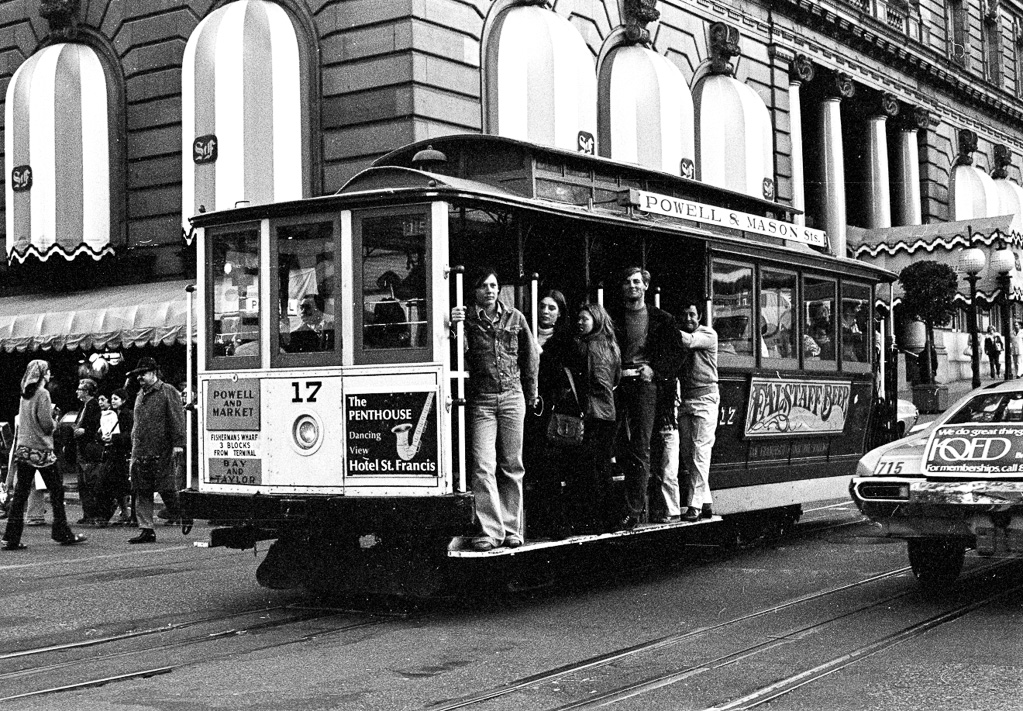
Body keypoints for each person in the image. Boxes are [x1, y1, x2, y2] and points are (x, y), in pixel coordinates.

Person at [451, 267, 540, 551]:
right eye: (484, 286)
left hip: (513, 396)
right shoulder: (468, 321)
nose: (490, 290)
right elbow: (459, 352)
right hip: (483, 399)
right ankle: (491, 531)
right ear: (475, 291)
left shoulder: (516, 318)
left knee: (512, 464)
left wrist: (531, 393)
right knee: (482, 465)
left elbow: (530, 357)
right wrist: (454, 326)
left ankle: (513, 528)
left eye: (494, 285)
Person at [611, 267, 682, 529]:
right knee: (617, 443)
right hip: (618, 384)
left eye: (637, 282)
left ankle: (635, 509)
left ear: (645, 287)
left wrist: (655, 369)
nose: (632, 286)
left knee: (641, 445)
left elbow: (676, 354)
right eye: (628, 282)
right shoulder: (613, 317)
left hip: (644, 385)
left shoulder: (662, 319)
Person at [2, 360, 86, 549]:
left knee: (21, 495)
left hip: (24, 450)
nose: (49, 375)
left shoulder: (25, 395)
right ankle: (61, 531)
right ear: (41, 375)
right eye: (47, 372)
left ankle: (11, 537)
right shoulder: (43, 394)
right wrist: (56, 422)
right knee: (57, 491)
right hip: (42, 451)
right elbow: (46, 425)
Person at [565, 302, 621, 534]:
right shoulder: (611, 345)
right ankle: (607, 518)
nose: (579, 323)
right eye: (578, 319)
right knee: (602, 466)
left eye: (584, 319)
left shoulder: (589, 346)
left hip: (593, 413)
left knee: (589, 468)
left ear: (596, 321)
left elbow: (592, 382)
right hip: (607, 413)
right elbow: (615, 379)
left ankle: (594, 518)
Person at [526, 289, 574, 539]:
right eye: (542, 306)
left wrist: (541, 355)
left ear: (559, 313)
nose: (545, 311)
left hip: (551, 409)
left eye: (552, 308)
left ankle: (555, 524)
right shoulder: (526, 333)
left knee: (551, 466)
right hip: (527, 407)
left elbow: (565, 375)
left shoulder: (565, 339)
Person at [127, 357, 186, 544]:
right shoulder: (140, 393)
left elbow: (177, 419)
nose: (140, 378)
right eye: (138, 375)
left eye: (143, 374)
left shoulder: (168, 391)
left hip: (161, 449)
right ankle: (146, 529)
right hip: (140, 450)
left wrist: (178, 444)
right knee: (141, 489)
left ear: (153, 372)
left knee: (166, 488)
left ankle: (183, 514)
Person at [676, 301, 719, 522]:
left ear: (700, 316)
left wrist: (667, 326)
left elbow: (689, 341)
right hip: (686, 398)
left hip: (706, 398)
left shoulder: (708, 334)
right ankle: (707, 501)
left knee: (700, 453)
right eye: (684, 315)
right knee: (688, 454)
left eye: (692, 315)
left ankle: (694, 506)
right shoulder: (682, 334)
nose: (689, 319)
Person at [72, 378, 104, 525]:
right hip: (81, 447)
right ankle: (87, 513)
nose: (77, 391)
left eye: (80, 389)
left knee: (90, 480)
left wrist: (84, 431)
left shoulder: (94, 406)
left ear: (86, 391)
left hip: (89, 447)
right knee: (82, 481)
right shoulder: (83, 406)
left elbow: (97, 425)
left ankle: (93, 513)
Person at [100, 389, 133, 526]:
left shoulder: (126, 414)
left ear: (123, 400)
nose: (113, 401)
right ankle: (124, 512)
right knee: (117, 485)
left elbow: (129, 434)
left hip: (121, 454)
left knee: (115, 483)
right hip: (116, 452)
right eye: (112, 398)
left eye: (116, 399)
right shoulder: (114, 414)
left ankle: (109, 515)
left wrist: (112, 437)